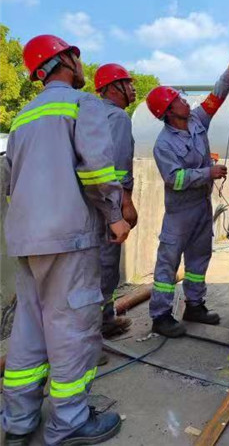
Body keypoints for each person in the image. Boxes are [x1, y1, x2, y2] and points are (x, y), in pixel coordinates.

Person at [1, 35, 130, 446]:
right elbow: (96, 171)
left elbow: (9, 181)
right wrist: (114, 216)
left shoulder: (22, 117)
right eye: (77, 56)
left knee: (29, 330)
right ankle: (70, 422)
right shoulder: (82, 104)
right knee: (73, 329)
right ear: (66, 60)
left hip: (27, 239)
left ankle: (17, 421)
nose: (82, 63)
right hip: (69, 237)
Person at [146, 52, 229, 338]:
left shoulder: (197, 121)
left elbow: (215, 98)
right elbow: (174, 179)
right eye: (179, 99)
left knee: (199, 258)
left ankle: (195, 305)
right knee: (168, 261)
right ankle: (161, 315)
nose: (185, 101)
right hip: (179, 212)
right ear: (169, 111)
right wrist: (207, 173)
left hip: (201, 205)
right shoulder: (164, 144)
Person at [94, 63, 138, 338]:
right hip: (108, 202)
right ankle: (99, 326)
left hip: (87, 202)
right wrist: (126, 203)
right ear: (112, 88)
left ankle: (103, 319)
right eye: (128, 83)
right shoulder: (118, 117)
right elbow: (118, 167)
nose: (133, 89)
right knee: (107, 265)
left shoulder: (89, 114)